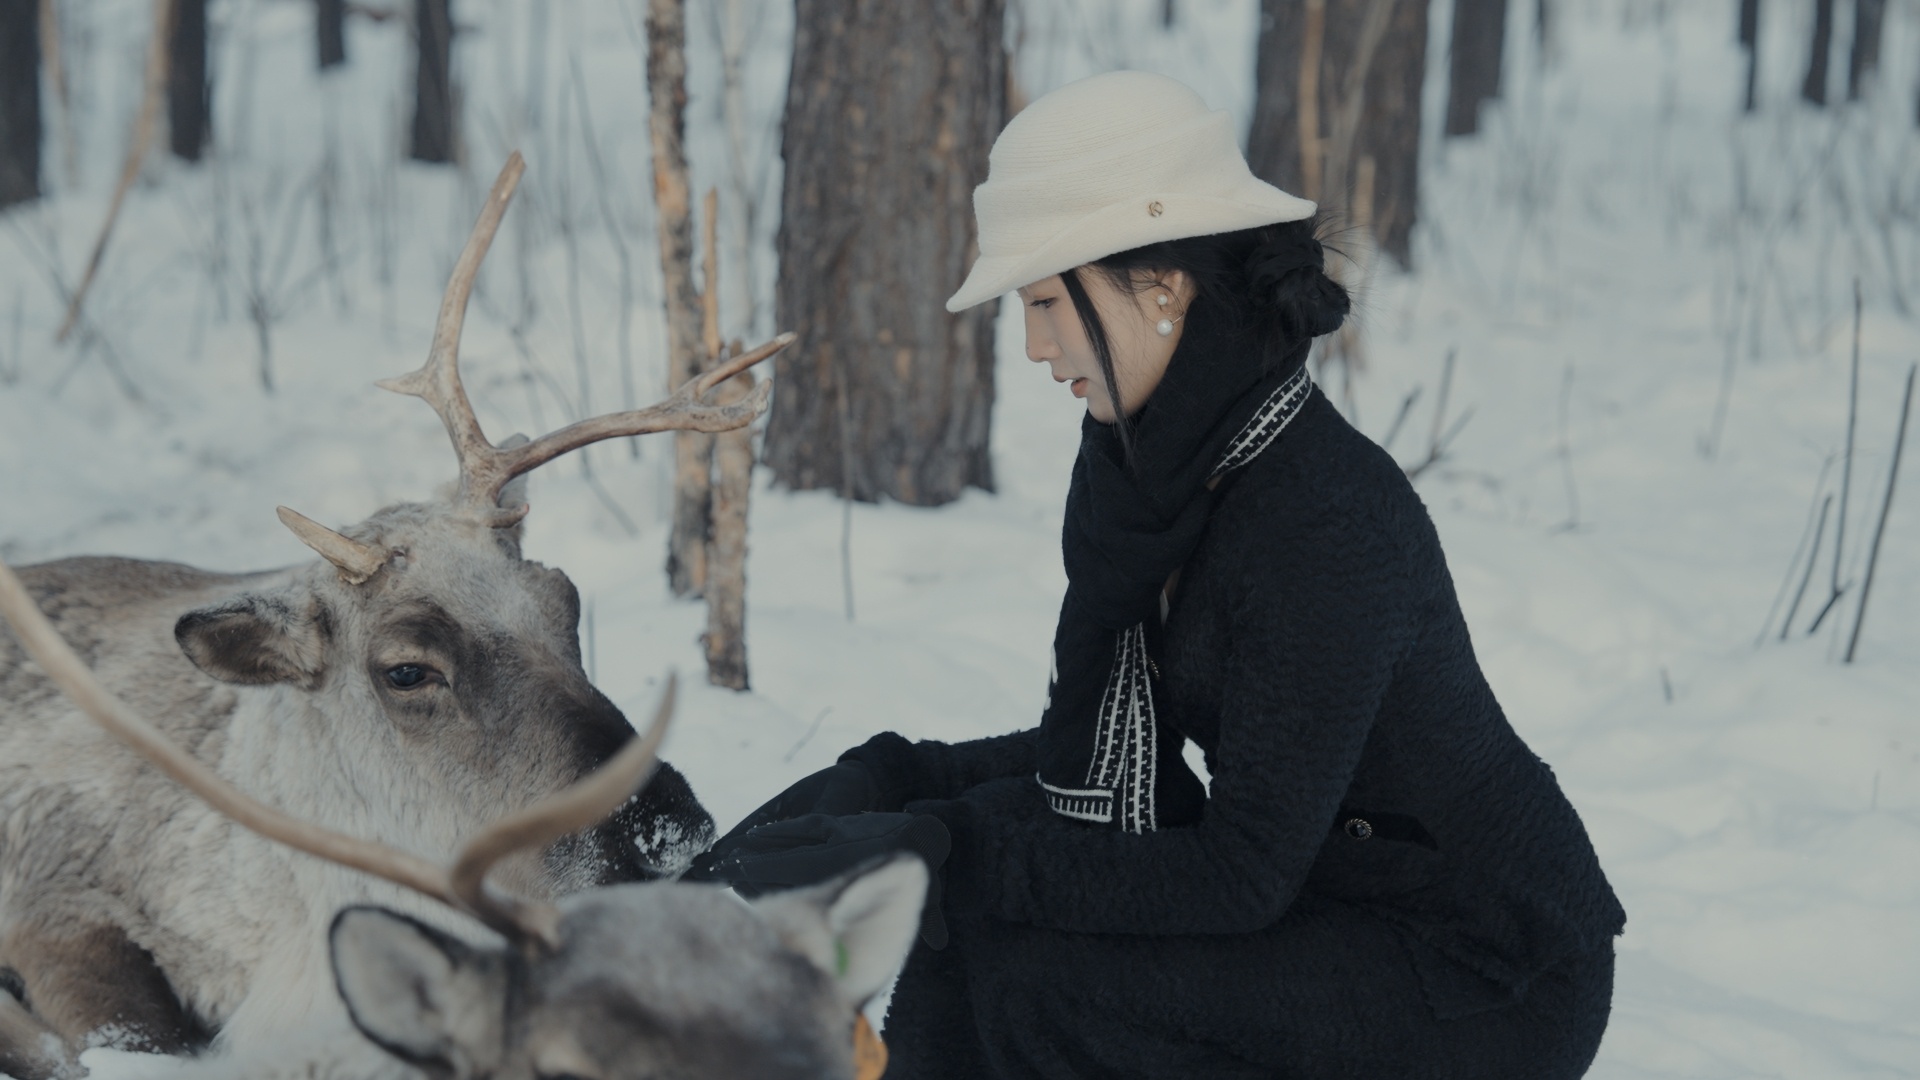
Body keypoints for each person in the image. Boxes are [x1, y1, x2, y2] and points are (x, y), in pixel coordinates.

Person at [688, 70, 1624, 1079]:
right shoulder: (1168, 476)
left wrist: (944, 850)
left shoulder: (1319, 523)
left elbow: (1240, 875)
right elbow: (1100, 759)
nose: (1035, 347)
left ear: (1163, 286)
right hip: (1336, 889)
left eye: (1047, 302)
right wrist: (897, 781)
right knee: (984, 889)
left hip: (1481, 972)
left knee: (1032, 967)